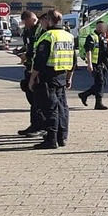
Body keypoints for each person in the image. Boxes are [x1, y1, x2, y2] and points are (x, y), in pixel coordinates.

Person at [28, 9, 75, 149]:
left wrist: (32, 79)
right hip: (61, 75)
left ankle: (51, 140)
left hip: (48, 76)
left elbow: (39, 61)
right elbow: (73, 60)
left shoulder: (48, 36)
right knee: (60, 108)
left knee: (50, 109)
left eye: (44, 20)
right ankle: (61, 137)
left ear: (48, 19)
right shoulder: (68, 36)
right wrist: (69, 77)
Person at [78, 20, 108, 110]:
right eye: (100, 26)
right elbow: (88, 50)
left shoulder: (104, 37)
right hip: (94, 63)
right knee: (100, 81)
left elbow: (107, 51)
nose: (102, 28)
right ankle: (98, 103)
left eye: (103, 27)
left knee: (102, 82)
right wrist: (89, 64)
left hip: (103, 63)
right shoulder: (92, 37)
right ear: (96, 27)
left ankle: (85, 94)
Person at [17, 11, 45, 137]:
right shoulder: (28, 31)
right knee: (32, 99)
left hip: (38, 70)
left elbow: (37, 50)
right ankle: (34, 125)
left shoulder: (40, 30)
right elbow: (29, 46)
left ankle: (41, 126)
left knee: (38, 101)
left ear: (32, 19)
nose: (25, 25)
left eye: (26, 22)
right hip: (29, 68)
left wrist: (26, 55)